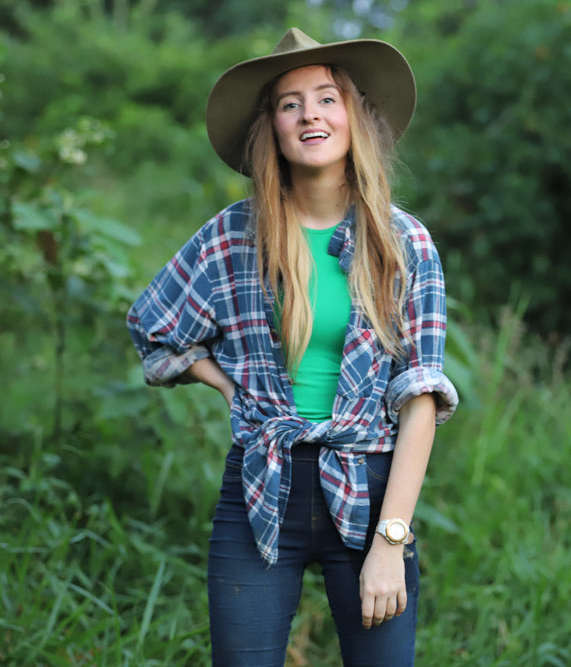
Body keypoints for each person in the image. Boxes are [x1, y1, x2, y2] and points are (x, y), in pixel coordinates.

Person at [126, 28, 458, 666]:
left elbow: (421, 394)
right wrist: (226, 383)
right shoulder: (233, 234)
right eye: (289, 103)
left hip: (371, 490)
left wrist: (391, 541)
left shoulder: (401, 242)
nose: (310, 114)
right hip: (259, 485)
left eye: (326, 97)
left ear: (352, 116)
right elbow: (155, 325)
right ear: (272, 129)